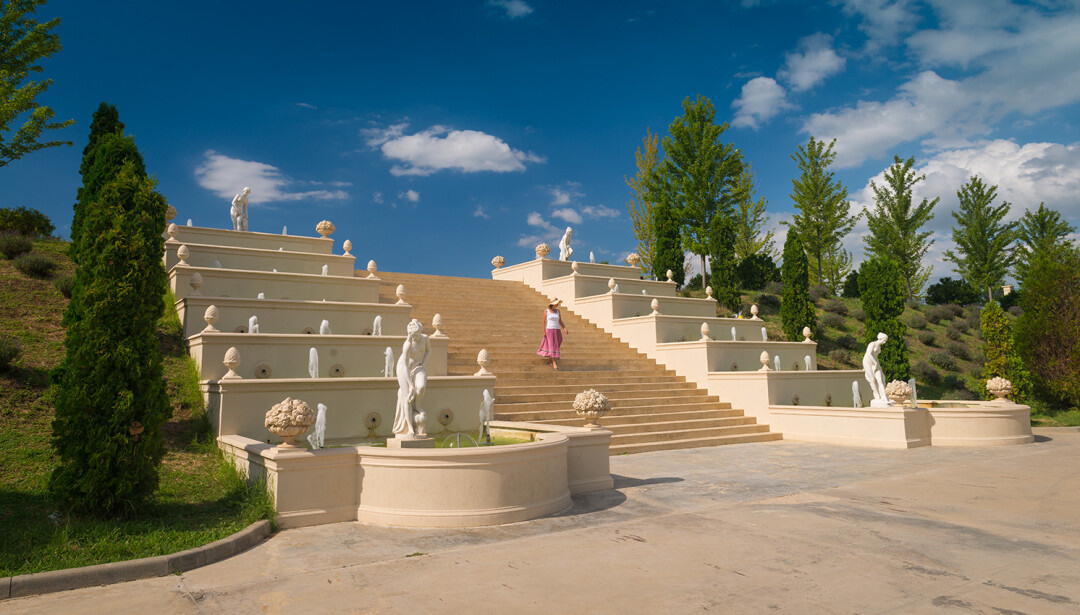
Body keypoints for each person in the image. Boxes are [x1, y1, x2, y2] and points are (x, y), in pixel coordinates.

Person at [393, 319, 431, 437]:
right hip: (404, 369)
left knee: (421, 387)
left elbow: (429, 351)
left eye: (415, 335)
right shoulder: (408, 344)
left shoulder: (425, 339)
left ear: (420, 332)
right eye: (411, 335)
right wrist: (410, 385)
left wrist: (423, 365)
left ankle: (418, 405)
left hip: (418, 367)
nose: (413, 337)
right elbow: (404, 366)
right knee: (407, 396)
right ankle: (410, 428)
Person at [537, 299, 568, 370]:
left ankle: (550, 360)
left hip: (557, 330)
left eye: (557, 304)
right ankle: (554, 362)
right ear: (552, 304)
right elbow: (543, 322)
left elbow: (560, 321)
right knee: (552, 345)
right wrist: (544, 331)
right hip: (549, 330)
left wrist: (564, 328)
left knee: (557, 344)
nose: (557, 305)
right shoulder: (546, 311)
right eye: (556, 303)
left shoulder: (558, 311)